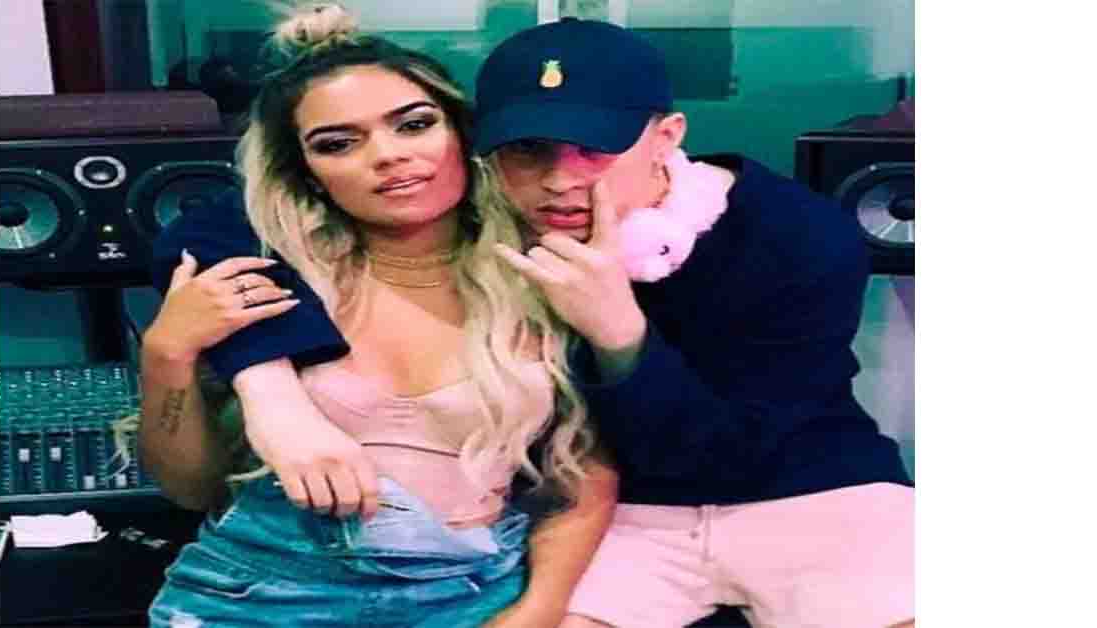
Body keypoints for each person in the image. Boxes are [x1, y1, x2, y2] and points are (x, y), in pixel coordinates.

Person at [154, 13, 914, 628]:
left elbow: (675, 457)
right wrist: (239, 379)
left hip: (788, 496)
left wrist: (619, 329)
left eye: (595, 148)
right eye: (528, 150)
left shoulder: (779, 238)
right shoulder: (332, 255)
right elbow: (203, 227)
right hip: (275, 580)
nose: (560, 180)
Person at [131, 5, 617, 627]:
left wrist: (540, 609)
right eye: (337, 144)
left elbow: (586, 476)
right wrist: (166, 353)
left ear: (463, 133)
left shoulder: (545, 275)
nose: (386, 155)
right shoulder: (268, 280)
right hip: (262, 595)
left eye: (414, 125)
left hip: (473, 592)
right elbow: (189, 490)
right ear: (308, 173)